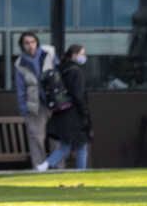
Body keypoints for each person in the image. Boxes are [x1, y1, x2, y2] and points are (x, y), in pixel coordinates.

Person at [43, 44, 93, 171]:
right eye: (82, 54)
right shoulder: (76, 71)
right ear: (75, 55)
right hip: (75, 113)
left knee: (67, 145)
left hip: (62, 111)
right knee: (81, 144)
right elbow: (78, 94)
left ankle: (45, 164)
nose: (84, 57)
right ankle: (80, 171)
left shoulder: (61, 68)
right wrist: (84, 112)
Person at [12, 31, 56, 170]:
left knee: (57, 137)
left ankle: (59, 167)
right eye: (27, 43)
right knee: (36, 138)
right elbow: (20, 88)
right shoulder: (20, 63)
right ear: (22, 45)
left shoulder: (48, 55)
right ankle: (39, 168)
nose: (30, 45)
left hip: (54, 101)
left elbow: (60, 74)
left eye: (32, 42)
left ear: (37, 42)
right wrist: (24, 109)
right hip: (35, 105)